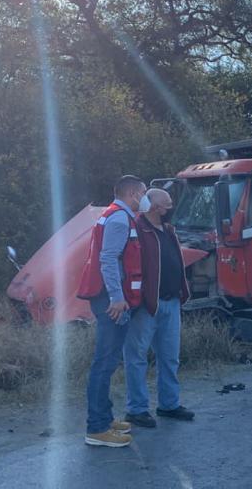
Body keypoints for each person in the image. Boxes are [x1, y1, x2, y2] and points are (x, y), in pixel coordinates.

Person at [76, 175, 148, 448]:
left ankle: (104, 420)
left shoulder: (114, 215)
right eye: (143, 192)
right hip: (110, 299)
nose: (146, 196)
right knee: (104, 363)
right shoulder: (120, 219)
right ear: (132, 194)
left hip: (108, 296)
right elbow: (108, 259)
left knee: (106, 362)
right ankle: (96, 429)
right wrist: (117, 298)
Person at [124, 188, 195, 428]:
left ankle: (169, 405)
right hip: (146, 306)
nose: (170, 209)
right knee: (136, 358)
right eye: (167, 205)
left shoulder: (169, 231)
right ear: (155, 208)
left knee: (170, 357)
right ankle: (136, 409)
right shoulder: (137, 230)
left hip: (171, 302)